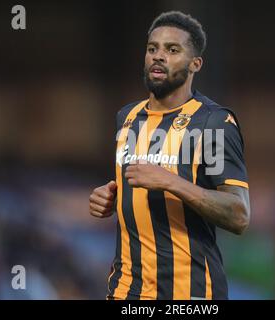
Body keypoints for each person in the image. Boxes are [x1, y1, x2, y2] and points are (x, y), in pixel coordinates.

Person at [89, 11, 250, 300]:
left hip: (190, 294)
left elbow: (239, 215)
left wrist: (170, 181)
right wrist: (109, 197)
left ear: (195, 64)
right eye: (153, 48)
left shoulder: (213, 122)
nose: (158, 56)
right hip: (126, 292)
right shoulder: (127, 117)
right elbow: (134, 186)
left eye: (172, 50)